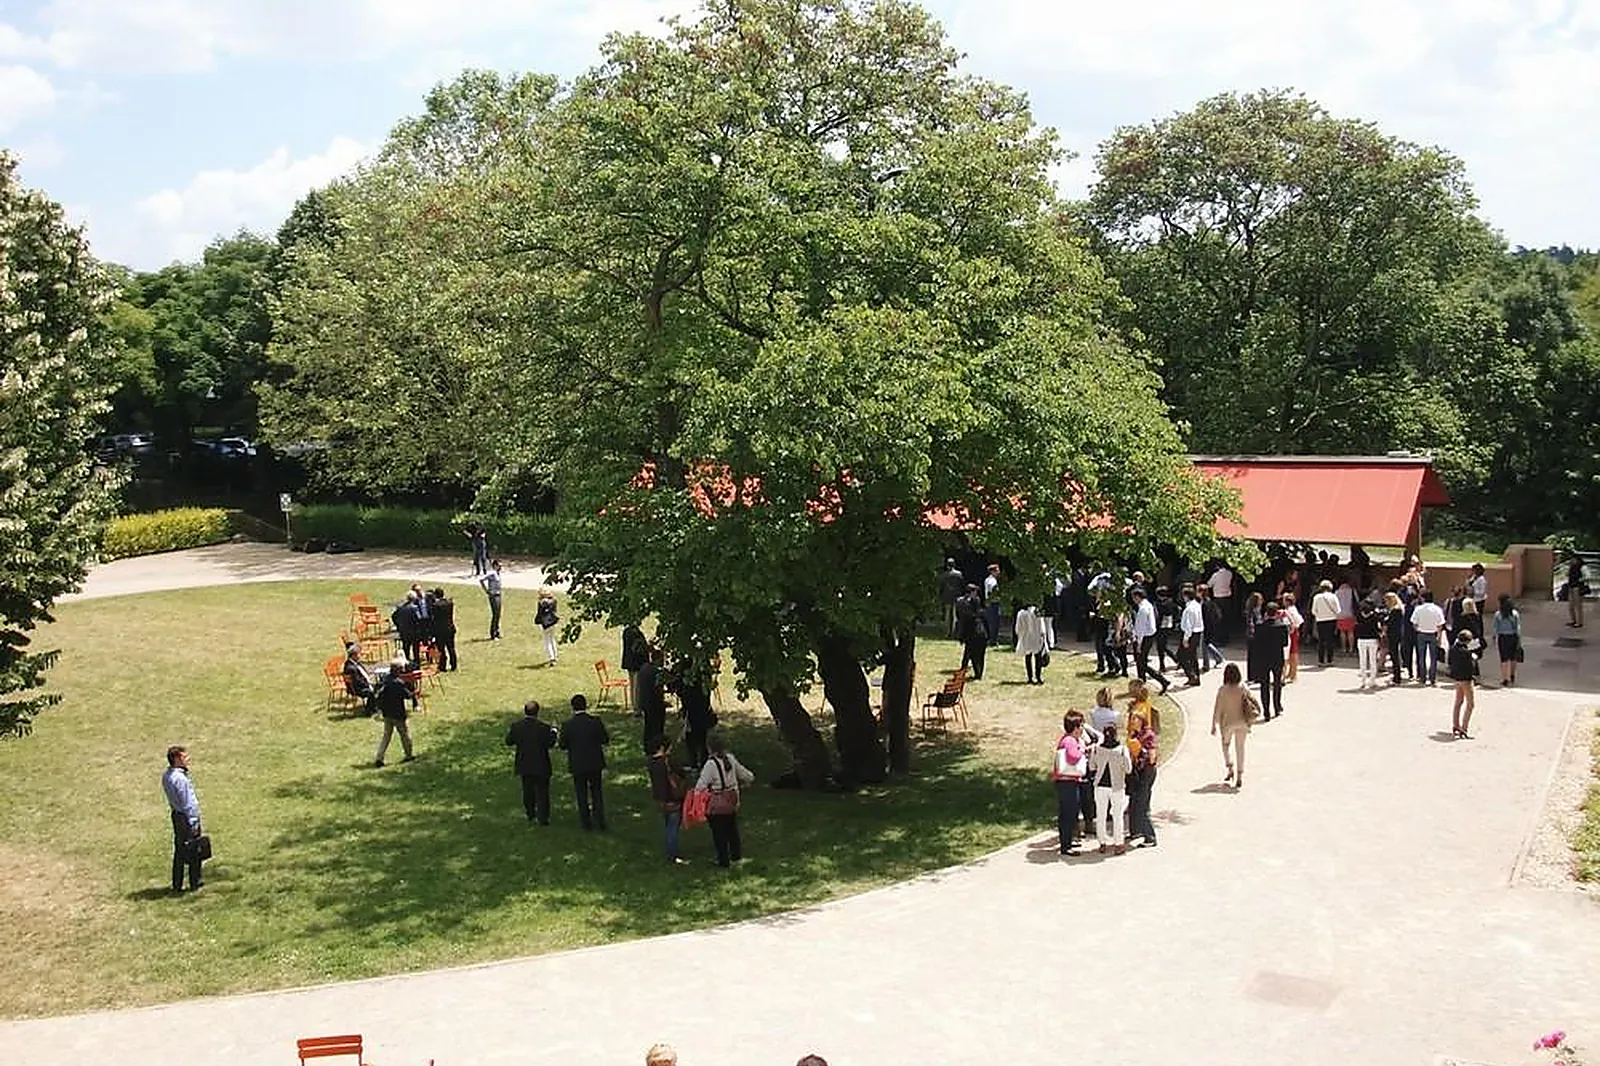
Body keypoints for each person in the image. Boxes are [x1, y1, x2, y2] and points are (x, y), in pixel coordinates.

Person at [697, 731, 755, 867]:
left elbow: (700, 786)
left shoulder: (710, 765)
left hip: (716, 804)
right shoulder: (730, 759)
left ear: (708, 747)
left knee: (719, 833)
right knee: (732, 830)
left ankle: (723, 860)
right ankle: (736, 856)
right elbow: (746, 775)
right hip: (732, 800)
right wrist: (749, 780)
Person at [558, 694, 610, 830]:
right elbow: (604, 739)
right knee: (597, 792)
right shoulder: (595, 722)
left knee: (581, 793)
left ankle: (586, 822)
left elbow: (562, 745)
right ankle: (600, 820)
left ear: (572, 707)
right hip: (595, 762)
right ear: (585, 705)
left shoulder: (568, 725)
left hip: (578, 763)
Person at [505, 700, 557, 825]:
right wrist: (554, 731)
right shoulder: (543, 727)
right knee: (542, 792)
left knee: (527, 790)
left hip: (524, 764)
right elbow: (551, 743)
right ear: (537, 713)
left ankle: (530, 814)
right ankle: (543, 817)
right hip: (541, 764)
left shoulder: (517, 726)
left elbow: (509, 741)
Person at [161, 745, 204, 893]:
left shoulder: (167, 775)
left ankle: (177, 883)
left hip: (177, 816)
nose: (188, 759)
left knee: (180, 850)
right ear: (177, 759)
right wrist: (193, 822)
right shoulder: (180, 779)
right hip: (186, 818)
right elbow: (188, 803)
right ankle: (195, 882)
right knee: (194, 849)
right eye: (184, 757)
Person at [1051, 710, 1094, 855]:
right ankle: (1066, 846)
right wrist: (1082, 749)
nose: (1082, 728)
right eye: (1081, 725)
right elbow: (1073, 757)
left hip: (1067, 782)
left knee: (1068, 812)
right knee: (1069, 813)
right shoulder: (1070, 740)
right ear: (1075, 727)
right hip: (1067, 782)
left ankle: (1067, 842)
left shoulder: (1068, 739)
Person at [1088, 722, 1132, 854]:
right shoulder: (1122, 750)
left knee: (1100, 816)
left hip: (1100, 786)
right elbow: (1129, 769)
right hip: (1117, 786)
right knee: (1117, 816)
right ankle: (1118, 844)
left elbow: (1091, 767)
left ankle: (1102, 843)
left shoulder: (1096, 749)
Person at [1210, 663, 1255, 788]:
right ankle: (1240, 775)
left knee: (1225, 745)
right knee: (1240, 748)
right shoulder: (1243, 688)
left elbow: (1217, 709)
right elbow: (1252, 702)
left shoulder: (1222, 690)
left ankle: (1230, 767)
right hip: (1243, 723)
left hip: (1227, 724)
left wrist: (1214, 724)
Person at [647, 737, 688, 864]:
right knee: (673, 828)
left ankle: (670, 850)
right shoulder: (668, 762)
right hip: (673, 798)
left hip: (660, 799)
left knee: (668, 825)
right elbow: (681, 773)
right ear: (663, 747)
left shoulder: (651, 763)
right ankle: (673, 854)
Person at [373, 657, 418, 767]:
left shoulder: (385, 679)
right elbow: (406, 696)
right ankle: (409, 755)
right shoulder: (398, 683)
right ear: (398, 670)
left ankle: (379, 757)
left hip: (387, 713)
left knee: (386, 736)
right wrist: (414, 693)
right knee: (405, 735)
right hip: (398, 714)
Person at [1125, 710, 1159, 848]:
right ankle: (1135, 831)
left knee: (1141, 804)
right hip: (1136, 772)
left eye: (1135, 719)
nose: (1132, 721)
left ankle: (1150, 837)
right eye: (1131, 719)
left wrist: (1140, 750)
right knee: (1133, 802)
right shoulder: (1134, 735)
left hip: (1146, 772)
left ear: (1142, 720)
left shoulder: (1148, 735)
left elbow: (1152, 757)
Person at [1250, 602, 1289, 719]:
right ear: (1277, 613)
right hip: (1277, 658)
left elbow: (1256, 643)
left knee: (1264, 685)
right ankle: (1277, 707)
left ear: (1266, 612)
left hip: (1263, 658)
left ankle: (1266, 711)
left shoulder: (1259, 626)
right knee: (1277, 684)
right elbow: (1285, 643)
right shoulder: (1282, 626)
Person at [1128, 587, 1170, 694]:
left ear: (1137, 597)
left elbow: (1140, 628)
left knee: (1141, 663)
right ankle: (1142, 684)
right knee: (1141, 662)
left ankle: (1162, 681)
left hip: (1144, 637)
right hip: (1149, 636)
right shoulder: (1148, 605)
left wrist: (1139, 643)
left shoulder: (1142, 609)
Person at [1410, 590, 1447, 685]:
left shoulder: (1418, 609)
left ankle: (1422, 677)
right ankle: (1432, 678)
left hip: (1421, 634)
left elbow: (1414, 623)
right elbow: (1440, 625)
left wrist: (1418, 629)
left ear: (1423, 598)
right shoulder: (1437, 609)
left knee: (1421, 657)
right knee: (1433, 657)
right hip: (1433, 634)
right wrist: (1439, 637)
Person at [637, 646, 668, 755]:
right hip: (655, 704)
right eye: (662, 660)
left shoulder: (644, 668)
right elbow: (658, 690)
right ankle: (657, 747)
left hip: (645, 702)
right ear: (658, 660)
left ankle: (647, 747)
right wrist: (664, 702)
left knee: (648, 726)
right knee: (657, 727)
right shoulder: (656, 672)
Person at [1447, 629, 1478, 739]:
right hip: (1466, 679)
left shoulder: (1452, 649)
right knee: (1470, 704)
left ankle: (1455, 724)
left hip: (1457, 678)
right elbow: (1471, 667)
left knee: (1458, 702)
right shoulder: (1466, 653)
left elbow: (1449, 662)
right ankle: (1464, 728)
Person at [956, 584, 987, 680]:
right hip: (972, 630)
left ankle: (971, 671)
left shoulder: (972, 600)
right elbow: (968, 615)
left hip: (973, 630)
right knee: (973, 653)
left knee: (971, 652)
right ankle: (976, 672)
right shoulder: (966, 602)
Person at [1493, 594, 1523, 687]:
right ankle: (1512, 675)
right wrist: (1519, 638)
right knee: (1513, 657)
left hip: (1503, 637)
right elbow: (1518, 627)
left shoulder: (1498, 614)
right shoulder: (1514, 614)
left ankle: (1505, 678)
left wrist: (1494, 637)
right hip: (1513, 637)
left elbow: (1496, 628)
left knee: (1504, 658)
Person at [1014, 601, 1047, 685]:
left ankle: (1030, 677)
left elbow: (1018, 628)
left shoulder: (1021, 614)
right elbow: (1042, 626)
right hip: (1036, 637)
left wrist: (1020, 635)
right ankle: (1038, 677)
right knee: (1038, 657)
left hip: (1026, 638)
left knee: (1028, 657)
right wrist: (1043, 636)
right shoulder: (1037, 611)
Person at [1310, 580, 1340, 667]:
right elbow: (1338, 610)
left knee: (1321, 641)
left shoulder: (1316, 597)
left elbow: (1313, 611)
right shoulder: (1333, 597)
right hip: (1331, 620)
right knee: (1330, 640)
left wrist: (1319, 615)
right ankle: (1330, 660)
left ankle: (1321, 661)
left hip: (1320, 620)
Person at [1178, 585, 1204, 686]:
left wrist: (1185, 638)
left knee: (1182, 657)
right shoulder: (1197, 605)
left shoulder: (1189, 609)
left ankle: (1192, 675)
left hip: (1190, 634)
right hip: (1197, 633)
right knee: (1193, 656)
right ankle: (1196, 678)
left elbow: (1189, 625)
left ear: (1186, 596)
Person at [342, 642, 377, 715]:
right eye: (358, 654)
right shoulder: (350, 668)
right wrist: (369, 684)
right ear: (353, 655)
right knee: (372, 692)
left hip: (363, 683)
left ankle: (375, 706)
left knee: (379, 686)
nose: (359, 656)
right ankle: (369, 710)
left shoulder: (356, 663)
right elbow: (357, 682)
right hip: (357, 688)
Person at [621, 624, 650, 710]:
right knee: (637, 687)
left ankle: (635, 705)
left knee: (634, 685)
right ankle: (637, 707)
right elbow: (636, 648)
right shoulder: (634, 633)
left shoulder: (626, 631)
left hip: (630, 663)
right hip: (636, 663)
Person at [1353, 599, 1381, 690]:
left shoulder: (1358, 615)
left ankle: (1363, 681)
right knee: (1373, 660)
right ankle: (1372, 681)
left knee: (1362, 660)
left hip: (1361, 639)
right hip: (1372, 639)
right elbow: (1377, 628)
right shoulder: (1375, 616)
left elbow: (1356, 627)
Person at [429, 587, 458, 671]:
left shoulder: (435, 605)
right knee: (451, 648)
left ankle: (442, 665)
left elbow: (434, 618)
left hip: (440, 630)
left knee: (441, 649)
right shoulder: (449, 603)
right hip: (449, 628)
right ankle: (453, 665)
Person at [392, 589, 423, 664]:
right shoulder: (415, 608)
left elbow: (393, 616)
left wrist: (398, 625)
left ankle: (405, 663)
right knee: (416, 650)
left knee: (406, 649)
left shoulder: (401, 608)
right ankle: (416, 663)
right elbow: (419, 619)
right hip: (414, 632)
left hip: (404, 632)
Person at [1383, 591, 1406, 687]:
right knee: (1395, 655)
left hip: (1393, 634)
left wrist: (1385, 621)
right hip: (1397, 634)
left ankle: (1397, 678)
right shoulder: (1398, 609)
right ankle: (1396, 676)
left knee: (1394, 655)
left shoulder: (1395, 610)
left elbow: (1390, 623)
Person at [939, 559, 967, 637]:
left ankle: (947, 632)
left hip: (946, 597)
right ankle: (954, 632)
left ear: (947, 565)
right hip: (957, 597)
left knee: (947, 616)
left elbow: (941, 587)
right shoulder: (959, 574)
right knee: (955, 616)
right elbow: (962, 585)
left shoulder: (944, 575)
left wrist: (941, 595)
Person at [1281, 591, 1304, 683]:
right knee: (1291, 653)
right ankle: (1291, 673)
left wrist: (1293, 627)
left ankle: (1293, 674)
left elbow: (1299, 621)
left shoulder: (1290, 610)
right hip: (1293, 631)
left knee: (1293, 653)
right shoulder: (1291, 609)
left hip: (1292, 632)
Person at [479, 559, 505, 640]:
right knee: (495, 614)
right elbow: (481, 579)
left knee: (498, 614)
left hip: (498, 595)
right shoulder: (492, 573)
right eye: (499, 565)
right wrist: (487, 590)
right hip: (493, 596)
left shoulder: (498, 574)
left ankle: (497, 632)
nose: (500, 567)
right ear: (495, 565)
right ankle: (492, 634)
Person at [535, 589, 560, 666]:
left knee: (547, 640)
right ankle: (555, 655)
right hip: (553, 621)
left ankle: (551, 657)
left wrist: (537, 621)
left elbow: (539, 613)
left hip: (545, 623)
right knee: (552, 639)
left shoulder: (541, 603)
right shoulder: (554, 601)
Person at [1335, 576, 1357, 655]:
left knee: (1342, 632)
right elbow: (1356, 601)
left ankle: (1343, 648)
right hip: (1350, 613)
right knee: (1351, 632)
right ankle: (1351, 649)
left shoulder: (1337, 592)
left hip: (1340, 614)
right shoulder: (1352, 591)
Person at [1564, 555, 1587, 628]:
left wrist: (1579, 580)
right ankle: (1573, 620)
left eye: (1573, 559)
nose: (1572, 561)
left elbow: (1587, 576)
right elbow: (1566, 575)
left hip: (1578, 587)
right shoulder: (1571, 567)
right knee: (1571, 605)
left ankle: (1579, 622)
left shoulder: (1582, 567)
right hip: (1571, 586)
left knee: (1578, 605)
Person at [982, 563, 1002, 645]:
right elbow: (992, 591)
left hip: (991, 602)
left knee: (993, 622)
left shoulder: (988, 580)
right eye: (997, 571)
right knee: (994, 622)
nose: (998, 572)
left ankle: (993, 639)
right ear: (993, 572)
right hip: (993, 603)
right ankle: (993, 640)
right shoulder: (992, 581)